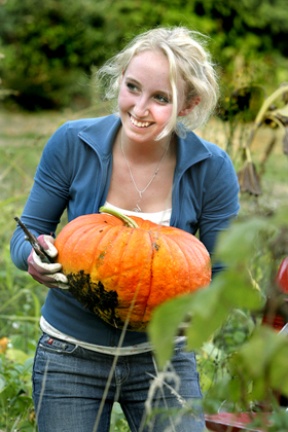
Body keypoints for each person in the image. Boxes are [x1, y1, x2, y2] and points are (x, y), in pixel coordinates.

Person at [10, 26, 240, 432]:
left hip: (163, 357)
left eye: (161, 98)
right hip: (69, 353)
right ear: (120, 80)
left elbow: (223, 271)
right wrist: (33, 256)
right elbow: (24, 233)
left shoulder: (211, 168)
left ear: (188, 105)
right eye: (132, 87)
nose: (140, 107)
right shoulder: (71, 143)